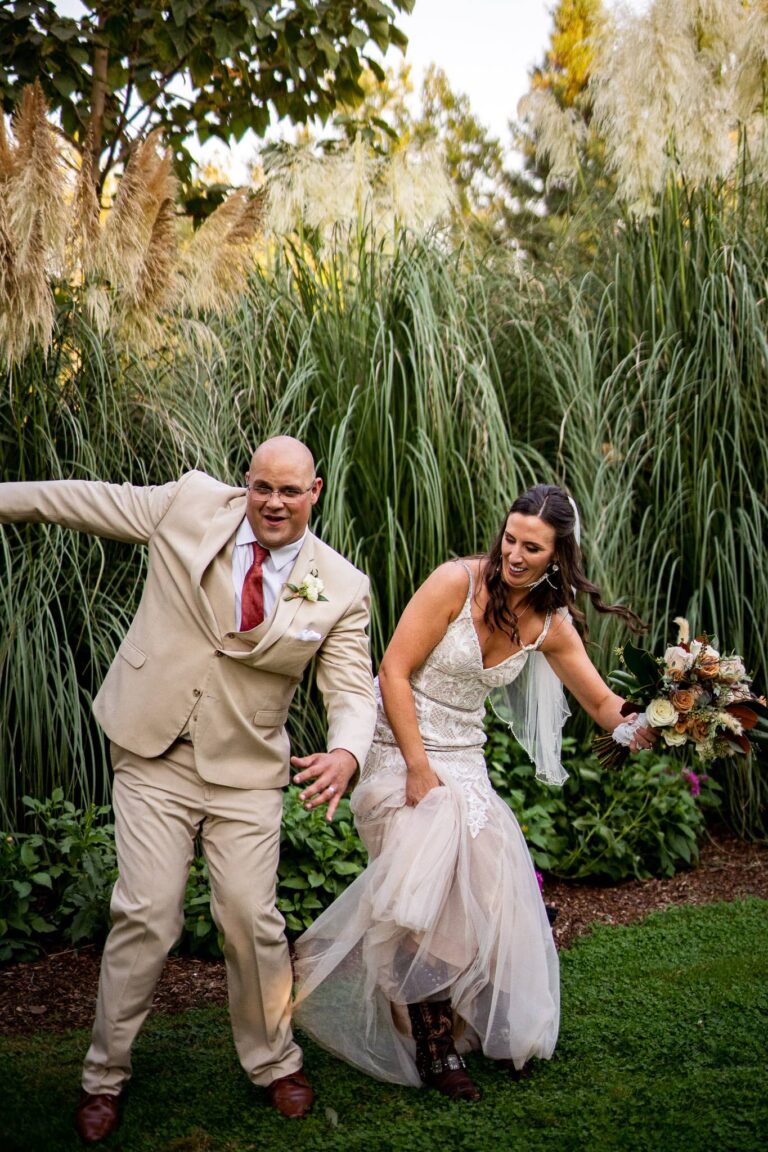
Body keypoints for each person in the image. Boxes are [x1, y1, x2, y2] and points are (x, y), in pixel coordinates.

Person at [0, 436, 376, 1142]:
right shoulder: (190, 504)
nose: (273, 503)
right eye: (262, 487)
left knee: (250, 918)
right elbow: (78, 500)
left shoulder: (342, 585)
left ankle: (274, 1061)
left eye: (289, 491)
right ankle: (103, 1077)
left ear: (314, 492)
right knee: (146, 911)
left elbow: (353, 688)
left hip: (246, 770)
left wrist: (347, 751)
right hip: (153, 751)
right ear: (246, 483)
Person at [292, 483, 650, 1101]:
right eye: (510, 539)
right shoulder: (455, 583)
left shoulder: (551, 623)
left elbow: (600, 703)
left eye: (532, 548)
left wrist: (660, 718)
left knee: (488, 882)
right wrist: (416, 767)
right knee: (426, 877)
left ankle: (469, 1020)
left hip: (464, 759)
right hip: (396, 744)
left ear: (557, 556)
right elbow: (393, 671)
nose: (514, 555)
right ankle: (435, 1048)